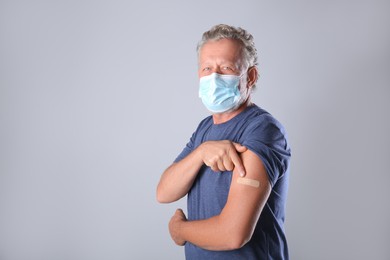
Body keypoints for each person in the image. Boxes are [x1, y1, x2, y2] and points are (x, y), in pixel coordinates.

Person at [156, 24, 291, 260]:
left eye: (226, 68)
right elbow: (164, 192)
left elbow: (232, 234)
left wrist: (179, 230)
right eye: (207, 68)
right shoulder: (205, 129)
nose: (214, 77)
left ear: (250, 76)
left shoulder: (262, 131)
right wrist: (200, 153)